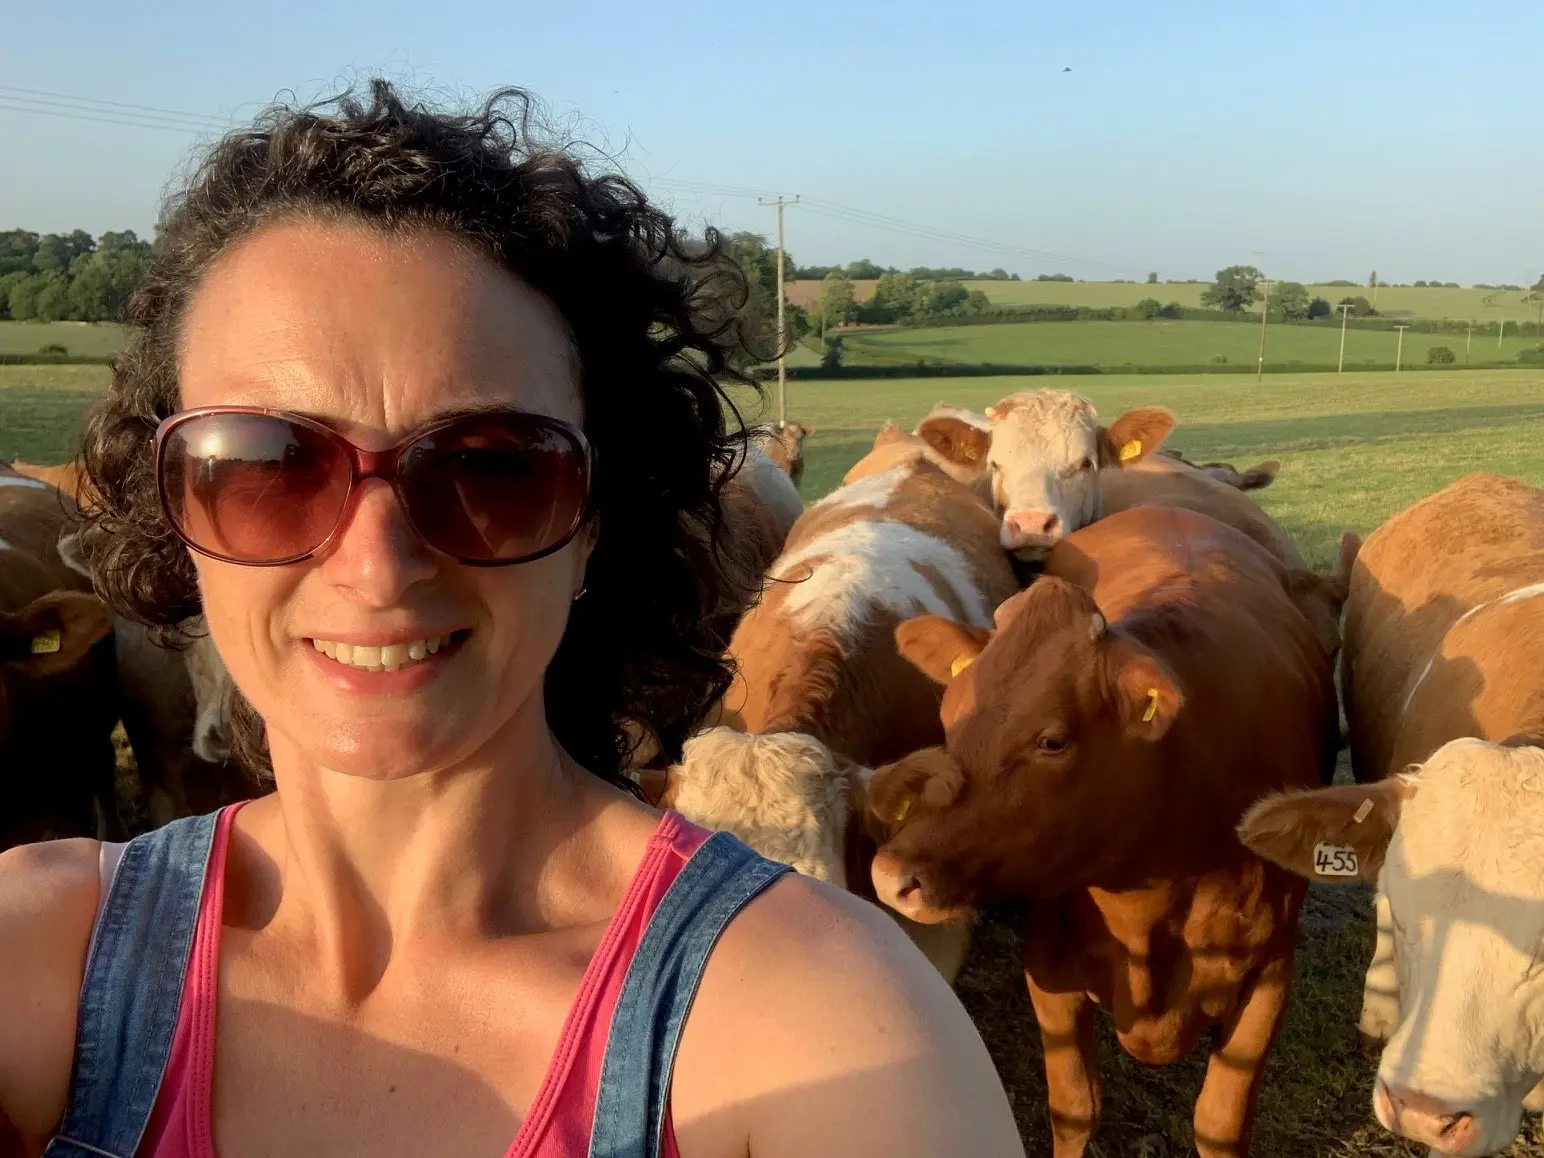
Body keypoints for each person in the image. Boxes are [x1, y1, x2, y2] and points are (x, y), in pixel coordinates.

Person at [0, 82, 1023, 1158]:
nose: (378, 567)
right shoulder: (43, 951)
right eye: (266, 464)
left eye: (490, 468)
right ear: (177, 508)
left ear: (592, 521)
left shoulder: (820, 1021)